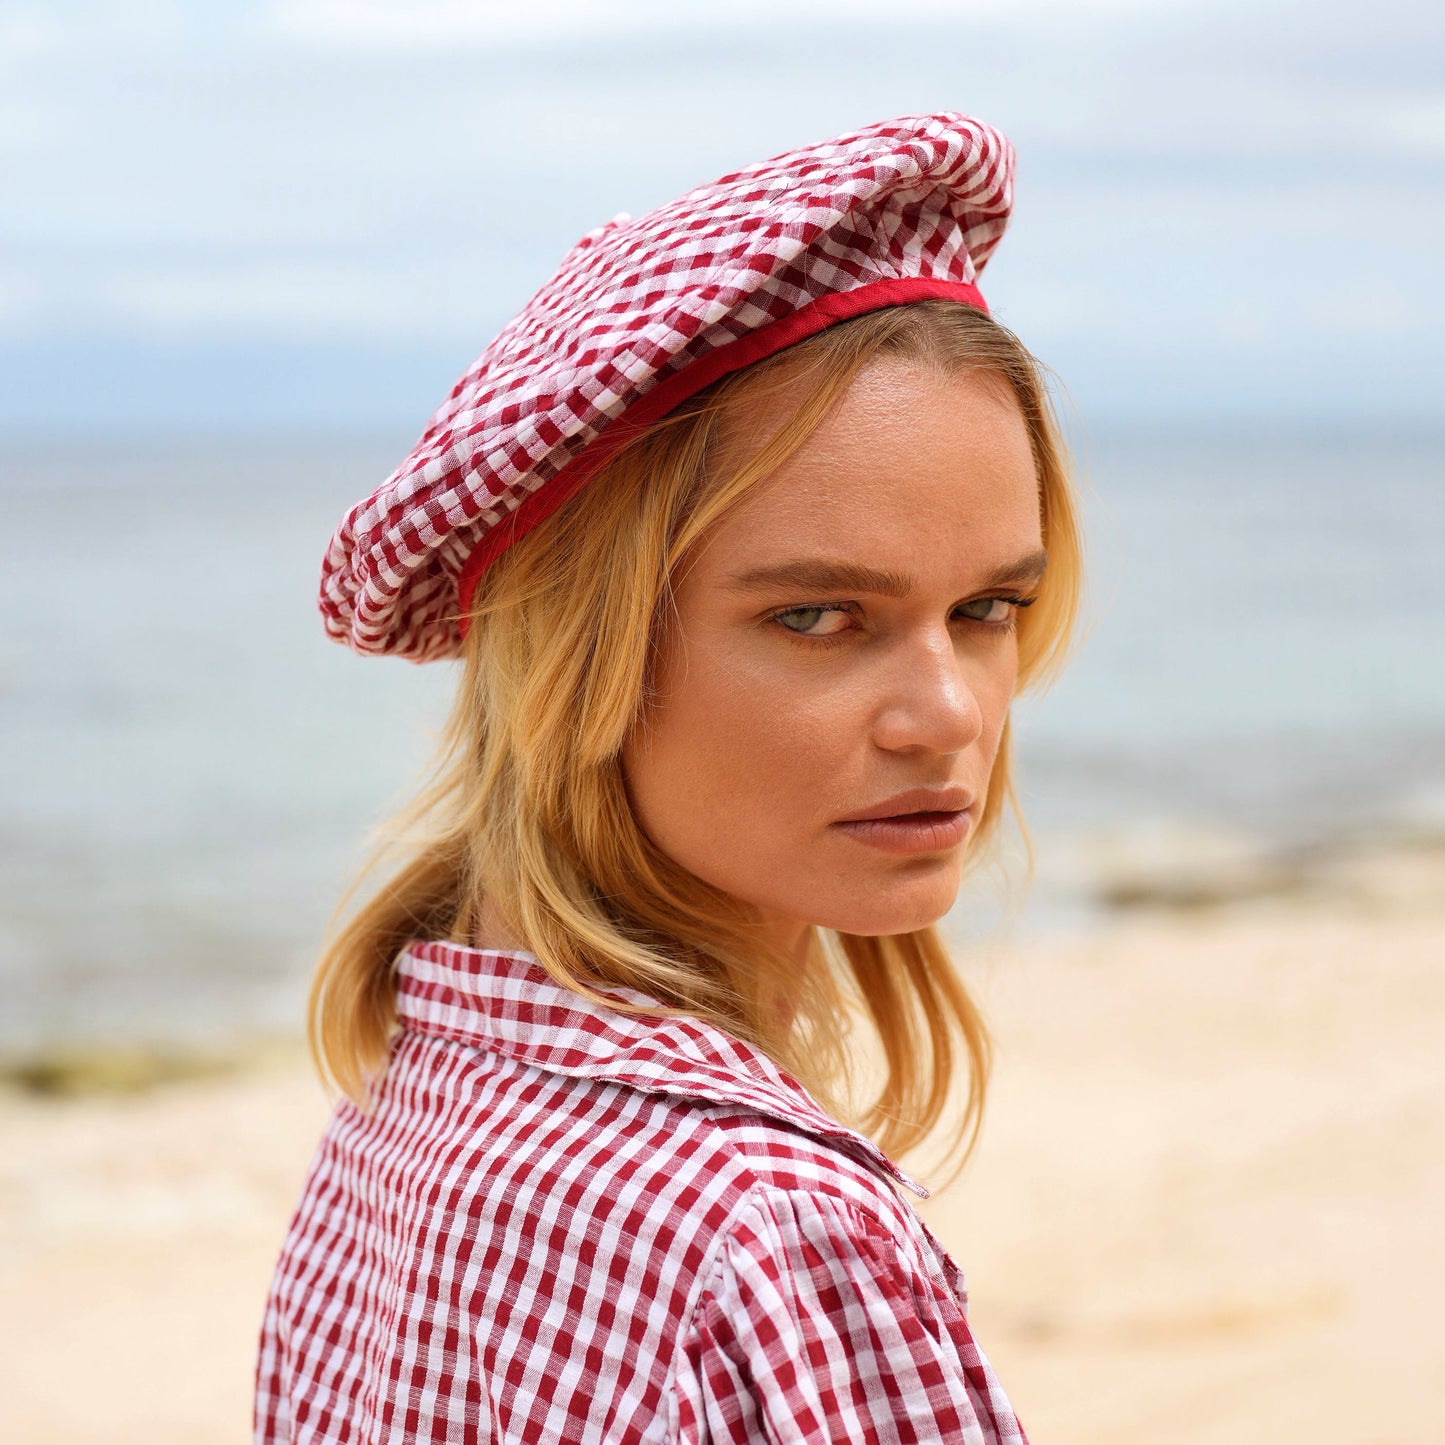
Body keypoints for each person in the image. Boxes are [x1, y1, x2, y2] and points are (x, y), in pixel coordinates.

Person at [255, 112, 1084, 1444]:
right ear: (575, 656)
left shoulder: (405, 1108)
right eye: (818, 615)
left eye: (987, 607)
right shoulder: (769, 1229)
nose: (947, 716)